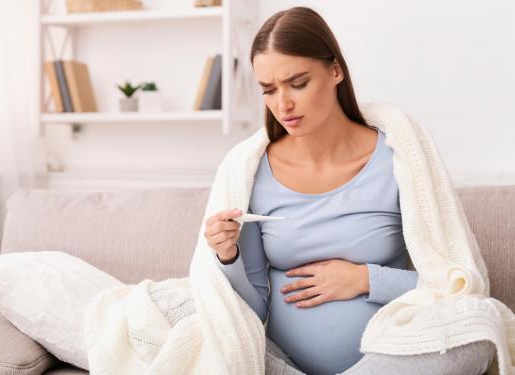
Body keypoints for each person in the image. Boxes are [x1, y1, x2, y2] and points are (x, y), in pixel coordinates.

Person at [203, 6, 495, 375]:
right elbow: (250, 312)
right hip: (285, 364)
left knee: (478, 327)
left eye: (298, 83)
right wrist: (227, 256)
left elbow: (454, 285)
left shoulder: (399, 155)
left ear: (335, 70)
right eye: (269, 90)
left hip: (398, 353)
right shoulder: (248, 172)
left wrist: (363, 279)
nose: (283, 104)